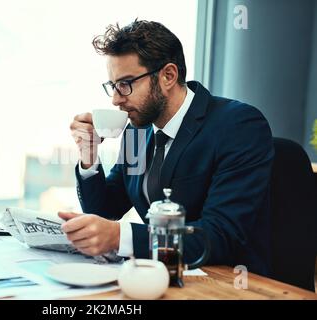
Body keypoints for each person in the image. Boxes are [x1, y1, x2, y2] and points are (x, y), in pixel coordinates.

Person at [59, 19, 274, 276]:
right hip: (162, 275)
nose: (116, 99)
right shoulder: (138, 131)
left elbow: (220, 236)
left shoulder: (238, 125)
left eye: (126, 84)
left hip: (226, 281)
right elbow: (106, 211)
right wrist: (89, 156)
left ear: (168, 76)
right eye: (113, 86)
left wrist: (120, 237)